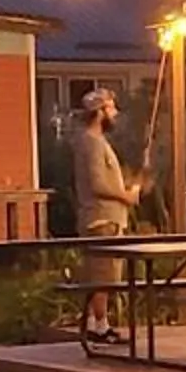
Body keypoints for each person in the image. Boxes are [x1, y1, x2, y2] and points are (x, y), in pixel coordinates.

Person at [68, 89, 143, 343]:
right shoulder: (91, 142)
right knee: (102, 276)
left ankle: (99, 324)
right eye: (111, 108)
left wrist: (130, 186)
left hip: (109, 220)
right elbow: (98, 184)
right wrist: (125, 196)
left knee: (107, 276)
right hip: (101, 221)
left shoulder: (97, 142)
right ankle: (98, 327)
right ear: (99, 113)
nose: (115, 113)